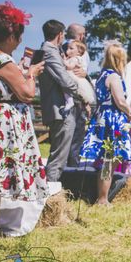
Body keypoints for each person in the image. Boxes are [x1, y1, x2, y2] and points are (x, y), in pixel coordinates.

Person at [0, 1, 47, 244]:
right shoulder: (0, 58)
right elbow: (26, 93)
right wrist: (32, 74)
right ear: (12, 34)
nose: (19, 42)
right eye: (19, 36)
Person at [80, 43, 131, 205]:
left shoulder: (102, 75)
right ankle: (102, 199)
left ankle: (102, 196)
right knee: (109, 160)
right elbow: (120, 100)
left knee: (107, 159)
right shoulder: (114, 77)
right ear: (119, 60)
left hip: (102, 118)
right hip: (113, 120)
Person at [38, 20, 89, 182]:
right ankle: (51, 193)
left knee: (61, 153)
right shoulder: (49, 51)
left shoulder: (54, 50)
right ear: (60, 35)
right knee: (59, 156)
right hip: (60, 110)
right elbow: (64, 80)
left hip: (62, 108)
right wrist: (82, 91)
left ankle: (54, 188)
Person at [63, 23, 91, 168]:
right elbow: (81, 74)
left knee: (65, 137)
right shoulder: (80, 51)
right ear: (81, 36)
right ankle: (73, 168)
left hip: (63, 98)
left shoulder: (62, 48)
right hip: (76, 98)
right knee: (76, 136)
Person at [63, 40, 96, 108]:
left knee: (68, 89)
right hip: (72, 77)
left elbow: (70, 67)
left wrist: (63, 61)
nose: (68, 50)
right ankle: (69, 101)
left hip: (72, 77)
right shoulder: (70, 58)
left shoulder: (75, 59)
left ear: (78, 52)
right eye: (68, 48)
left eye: (71, 48)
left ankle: (70, 101)